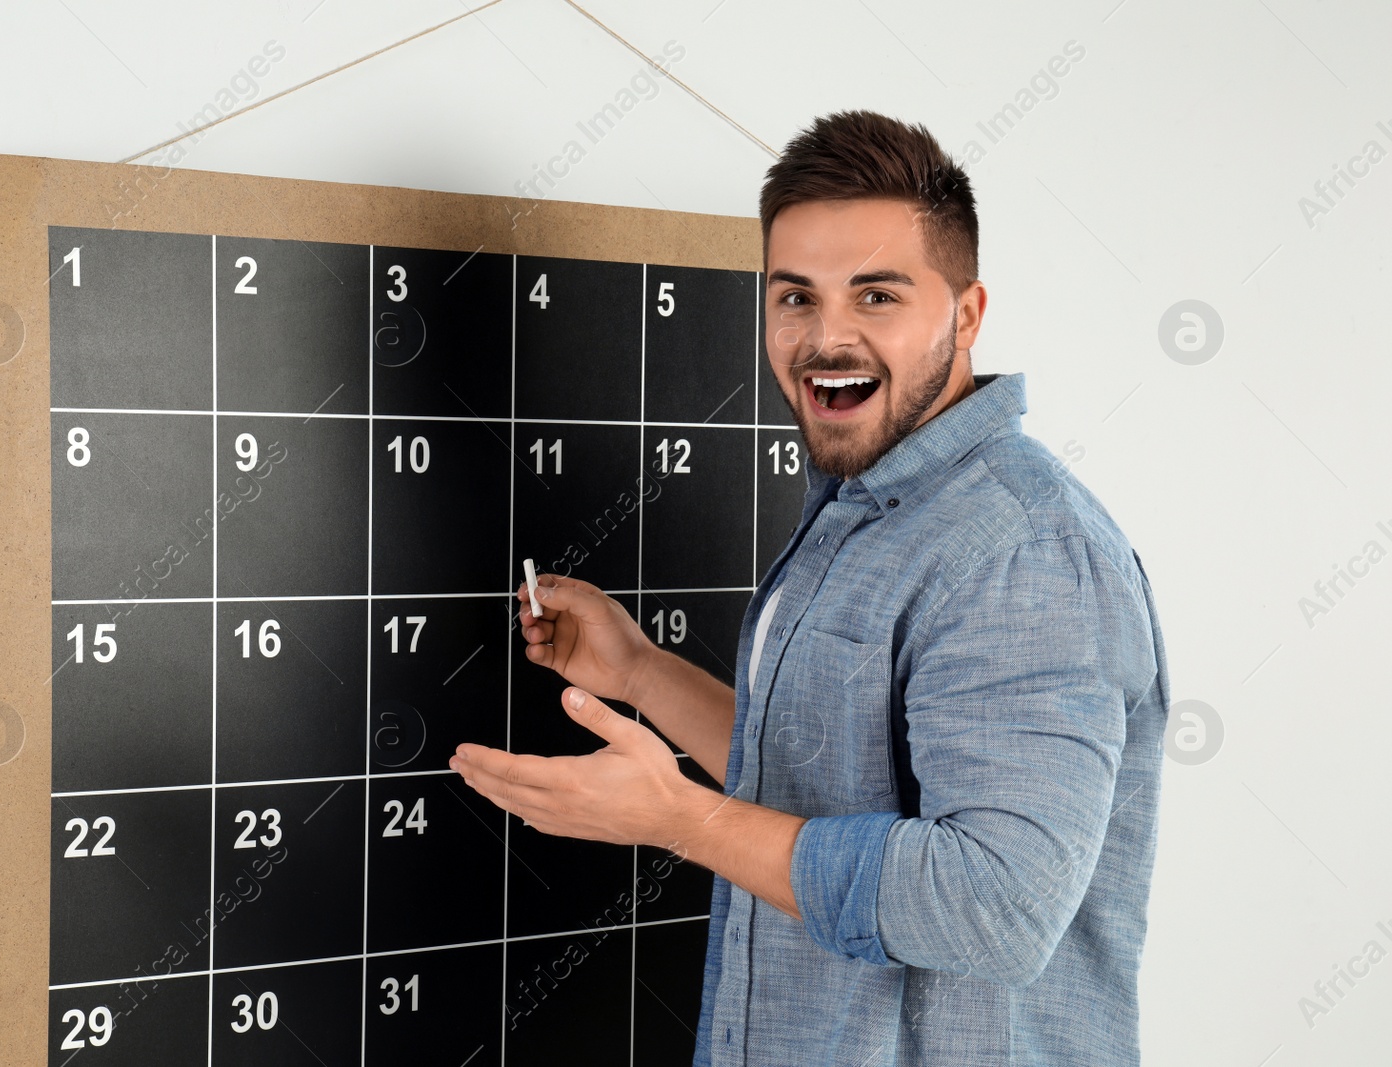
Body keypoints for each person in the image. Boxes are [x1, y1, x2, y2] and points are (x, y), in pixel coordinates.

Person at [451, 109, 1170, 1066]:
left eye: (877, 296)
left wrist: (676, 815)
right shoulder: (863, 508)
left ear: (966, 314)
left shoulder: (1023, 548)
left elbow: (997, 905)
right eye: (796, 298)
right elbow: (826, 776)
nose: (827, 339)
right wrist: (644, 673)